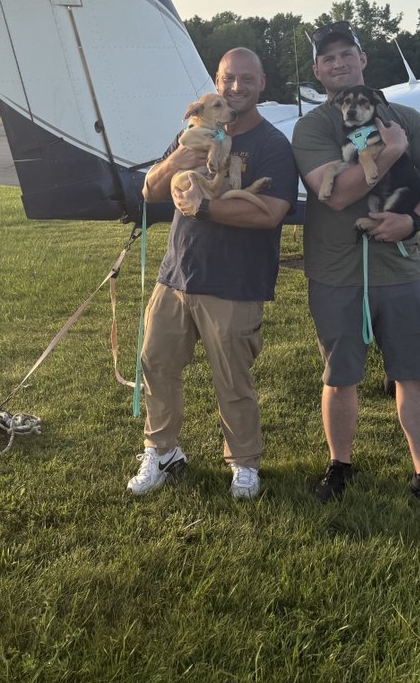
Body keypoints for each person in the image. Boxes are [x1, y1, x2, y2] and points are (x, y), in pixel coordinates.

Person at [291, 22, 420, 517]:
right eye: (328, 60)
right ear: (318, 72)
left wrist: (413, 221)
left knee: (415, 374)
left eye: (347, 55)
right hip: (336, 270)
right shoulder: (315, 127)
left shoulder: (407, 116)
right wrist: (390, 151)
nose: (339, 64)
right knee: (340, 375)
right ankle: (340, 464)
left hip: (402, 267)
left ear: (364, 60)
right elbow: (338, 191)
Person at [128, 47, 299, 499]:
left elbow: (272, 214)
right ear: (216, 85)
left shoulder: (272, 146)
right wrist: (174, 164)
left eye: (246, 79)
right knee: (157, 365)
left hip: (234, 282)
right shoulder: (194, 132)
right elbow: (150, 191)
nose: (236, 87)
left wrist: (205, 208)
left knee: (232, 378)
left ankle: (243, 463)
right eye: (227, 80)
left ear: (262, 84)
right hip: (177, 275)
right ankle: (161, 451)